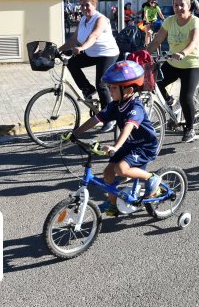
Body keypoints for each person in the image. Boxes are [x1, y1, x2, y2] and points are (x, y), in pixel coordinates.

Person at [64, 60, 161, 217]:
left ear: (129, 90)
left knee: (121, 169)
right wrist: (76, 133)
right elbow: (96, 119)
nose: (110, 91)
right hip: (129, 144)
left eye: (114, 88)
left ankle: (152, 178)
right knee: (108, 173)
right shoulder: (114, 105)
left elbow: (128, 127)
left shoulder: (136, 108)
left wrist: (115, 147)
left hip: (145, 147)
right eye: (109, 87)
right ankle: (113, 205)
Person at [147, 0, 199, 143]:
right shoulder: (169, 21)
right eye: (175, 5)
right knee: (155, 83)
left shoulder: (195, 21)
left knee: (186, 98)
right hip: (173, 62)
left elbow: (193, 42)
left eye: (182, 5)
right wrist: (142, 54)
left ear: (189, 6)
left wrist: (183, 52)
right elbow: (157, 40)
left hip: (191, 64)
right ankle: (169, 100)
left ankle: (190, 129)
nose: (178, 8)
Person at [58, 0, 119, 131]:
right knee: (72, 63)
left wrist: (82, 47)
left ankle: (109, 118)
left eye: (87, 5)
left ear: (94, 5)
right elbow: (73, 39)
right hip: (92, 53)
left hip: (107, 54)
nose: (84, 8)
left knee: (101, 84)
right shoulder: (83, 21)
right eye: (82, 6)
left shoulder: (101, 19)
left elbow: (94, 36)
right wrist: (58, 50)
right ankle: (87, 89)